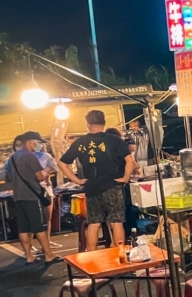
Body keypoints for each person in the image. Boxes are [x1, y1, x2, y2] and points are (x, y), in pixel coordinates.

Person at [58, 110, 136, 250]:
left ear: (87, 124)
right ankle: (119, 256)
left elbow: (62, 163)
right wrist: (125, 178)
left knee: (94, 223)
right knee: (116, 222)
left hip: (91, 186)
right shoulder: (114, 140)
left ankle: (93, 257)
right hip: (113, 186)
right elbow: (130, 160)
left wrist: (77, 180)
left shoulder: (80, 142)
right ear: (104, 123)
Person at [6, 132, 59, 263]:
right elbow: (40, 176)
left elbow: (7, 177)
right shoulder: (30, 156)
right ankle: (49, 255)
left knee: (24, 228)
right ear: (30, 141)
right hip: (32, 197)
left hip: (18, 197)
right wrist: (45, 175)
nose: (37, 145)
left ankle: (29, 256)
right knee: (39, 227)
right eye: (36, 142)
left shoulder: (12, 158)